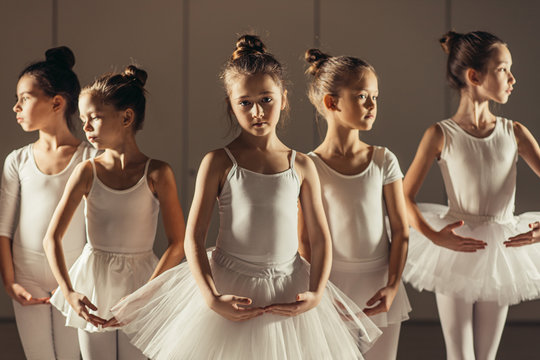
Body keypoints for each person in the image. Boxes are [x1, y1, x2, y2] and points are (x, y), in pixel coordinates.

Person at [109, 35, 381, 360]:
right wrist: (210, 297)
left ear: (283, 98)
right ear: (231, 104)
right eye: (245, 103)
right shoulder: (219, 162)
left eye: (266, 100)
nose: (257, 112)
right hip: (230, 286)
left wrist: (317, 292)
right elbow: (193, 238)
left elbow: (320, 239)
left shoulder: (303, 165)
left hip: (288, 287)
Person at [402, 30, 540, 360]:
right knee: (460, 355)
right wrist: (434, 236)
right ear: (474, 76)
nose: (512, 78)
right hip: (457, 247)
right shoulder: (440, 134)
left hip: (501, 248)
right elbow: (403, 197)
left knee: (487, 356)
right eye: (503, 69)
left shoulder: (514, 132)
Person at [43, 65, 186, 360]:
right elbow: (51, 238)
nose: (85, 127)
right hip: (94, 281)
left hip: (142, 282)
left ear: (126, 117)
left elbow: (178, 242)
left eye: (94, 118)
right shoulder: (87, 172)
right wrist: (69, 292)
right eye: (83, 119)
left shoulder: (158, 172)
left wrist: (144, 296)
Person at [299, 49, 411, 360]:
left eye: (376, 96)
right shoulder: (309, 166)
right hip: (330, 285)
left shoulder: (383, 159)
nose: (373, 105)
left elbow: (401, 230)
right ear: (331, 102)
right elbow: (305, 241)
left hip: (379, 287)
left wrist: (392, 284)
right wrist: (319, 290)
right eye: (362, 96)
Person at [0, 46, 95, 360]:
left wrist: (75, 282)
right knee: (38, 355)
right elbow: (4, 228)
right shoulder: (18, 160)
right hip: (25, 277)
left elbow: (96, 229)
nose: (16, 106)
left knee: (70, 356)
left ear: (57, 102)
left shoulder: (91, 159)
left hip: (71, 277)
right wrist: (10, 281)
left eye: (24, 98)